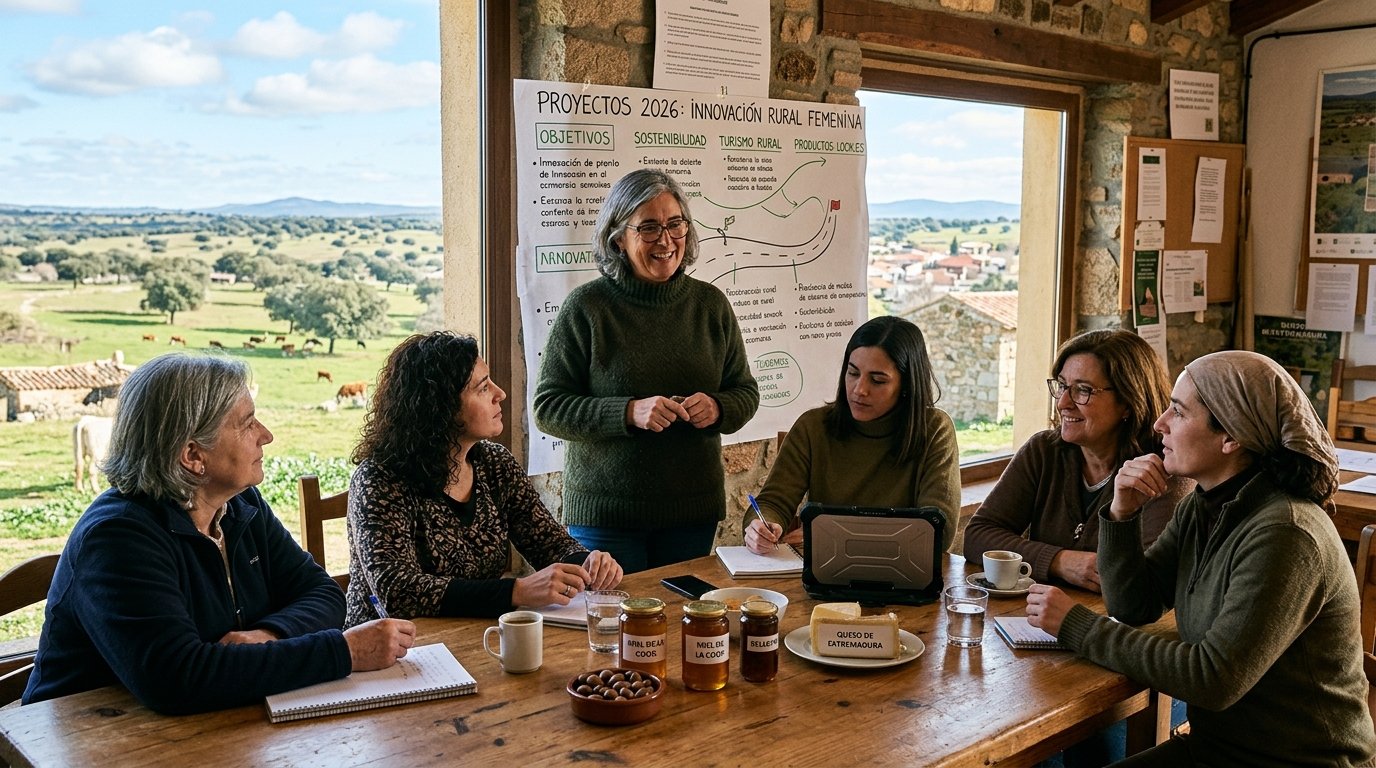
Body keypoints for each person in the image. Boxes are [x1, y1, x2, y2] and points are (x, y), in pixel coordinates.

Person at [1027, 350, 1376, 767]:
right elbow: (1134, 604)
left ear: (1230, 438)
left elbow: (1212, 679)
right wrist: (1121, 514)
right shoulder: (1206, 504)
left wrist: (1077, 626)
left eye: (1177, 411)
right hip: (1218, 751)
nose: (1159, 424)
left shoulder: (1286, 533)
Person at [23, 353, 414, 715]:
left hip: (205, 727)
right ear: (193, 456)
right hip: (86, 742)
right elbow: (179, 678)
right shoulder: (117, 537)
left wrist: (267, 635)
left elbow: (323, 594)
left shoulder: (242, 505)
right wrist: (344, 652)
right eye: (247, 423)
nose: (266, 435)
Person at [533, 168, 760, 573]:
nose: (666, 240)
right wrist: (628, 411)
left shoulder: (711, 306)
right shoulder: (587, 308)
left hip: (691, 512)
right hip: (606, 518)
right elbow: (548, 407)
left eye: (675, 224)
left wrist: (719, 408)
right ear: (618, 237)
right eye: (649, 227)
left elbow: (745, 391)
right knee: (613, 630)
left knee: (679, 627)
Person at [347, 332, 623, 625]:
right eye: (482, 388)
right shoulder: (379, 479)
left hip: (476, 633)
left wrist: (588, 563)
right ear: (440, 406)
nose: (499, 393)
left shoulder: (494, 462)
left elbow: (549, 544)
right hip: (391, 652)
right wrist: (517, 590)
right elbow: (397, 591)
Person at [963, 329, 1191, 592]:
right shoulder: (1044, 451)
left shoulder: (1164, 470)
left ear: (1128, 402)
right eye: (1062, 386)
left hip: (1117, 627)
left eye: (1083, 390)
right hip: (1036, 620)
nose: (1063, 403)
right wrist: (1059, 561)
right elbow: (978, 535)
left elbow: (1151, 583)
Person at [744, 315, 960, 553]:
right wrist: (760, 526)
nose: (859, 390)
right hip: (825, 573)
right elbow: (773, 502)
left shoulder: (934, 429)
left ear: (907, 385)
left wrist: (834, 534)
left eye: (877, 380)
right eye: (853, 373)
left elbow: (938, 530)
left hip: (902, 574)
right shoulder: (814, 426)